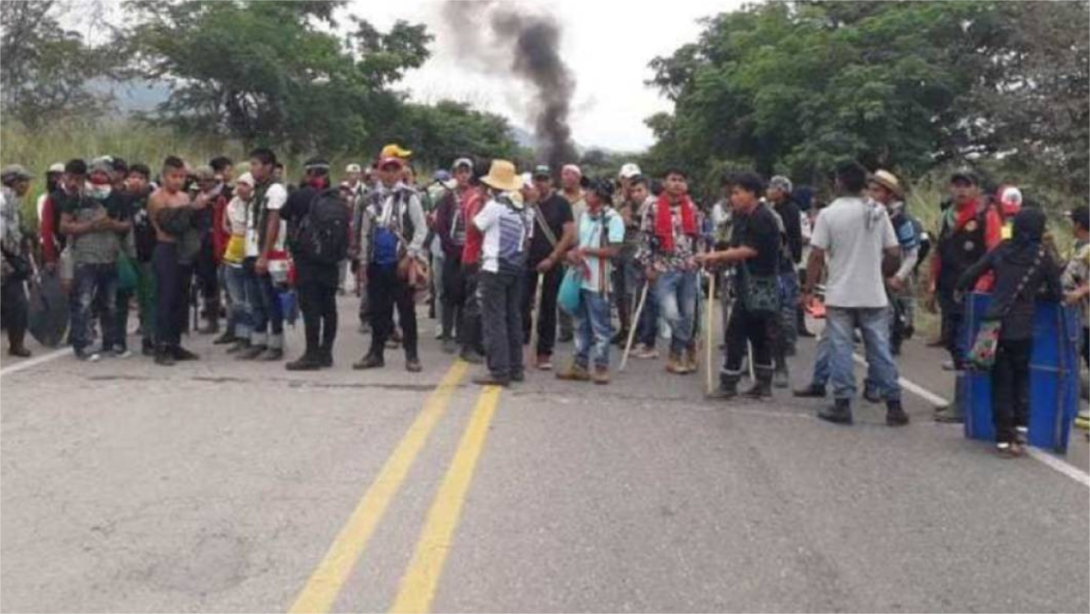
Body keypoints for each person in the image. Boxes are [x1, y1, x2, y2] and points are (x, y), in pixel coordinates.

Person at [801, 161, 907, 427]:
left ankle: (842, 404)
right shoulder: (878, 211)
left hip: (841, 295)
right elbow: (895, 254)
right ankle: (894, 406)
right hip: (873, 295)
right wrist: (879, 273)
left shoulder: (828, 214)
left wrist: (808, 290)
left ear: (839, 182)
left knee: (840, 348)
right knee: (879, 350)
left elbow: (815, 256)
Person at [960, 207, 1062, 456]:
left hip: (994, 326)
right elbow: (1056, 294)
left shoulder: (1002, 249)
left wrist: (962, 291)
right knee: (1021, 379)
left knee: (999, 382)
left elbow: (972, 273)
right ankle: (1021, 431)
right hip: (1022, 329)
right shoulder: (1043, 257)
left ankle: (1003, 439)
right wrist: (1034, 294)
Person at [930, 169, 1003, 423]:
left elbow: (995, 253)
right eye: (956, 184)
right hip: (948, 287)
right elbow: (938, 253)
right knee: (951, 341)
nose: (960, 190)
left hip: (973, 290)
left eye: (966, 185)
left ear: (976, 189)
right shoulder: (947, 216)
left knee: (965, 345)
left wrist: (982, 286)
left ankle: (964, 404)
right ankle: (961, 399)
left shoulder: (986, 216)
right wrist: (932, 284)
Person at [698, 173, 779, 399]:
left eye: (737, 193)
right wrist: (720, 260)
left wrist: (717, 256)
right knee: (757, 333)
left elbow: (750, 250)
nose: (732, 198)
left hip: (761, 282)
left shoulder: (762, 217)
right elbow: (735, 246)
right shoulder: (742, 217)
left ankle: (729, 382)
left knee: (736, 332)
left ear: (752, 193)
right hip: (747, 280)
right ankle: (763, 384)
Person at [353, 156, 427, 372]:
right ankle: (375, 354)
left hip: (400, 263)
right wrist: (364, 262)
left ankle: (412, 356)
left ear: (401, 172)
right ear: (379, 172)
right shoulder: (370, 199)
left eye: (395, 169)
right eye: (386, 169)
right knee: (378, 312)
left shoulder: (409, 198)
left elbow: (421, 230)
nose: (390, 174)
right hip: (377, 263)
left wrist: (409, 256)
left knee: (406, 312)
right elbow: (365, 232)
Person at [61, 159, 132, 362]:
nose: (99, 176)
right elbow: (64, 226)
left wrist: (111, 224)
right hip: (84, 258)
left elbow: (126, 225)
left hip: (110, 257)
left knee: (110, 304)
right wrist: (90, 226)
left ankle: (110, 344)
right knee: (82, 303)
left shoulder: (118, 197)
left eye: (104, 172)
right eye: (95, 172)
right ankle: (81, 345)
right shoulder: (78, 197)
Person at [279, 158, 345, 371]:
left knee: (311, 308)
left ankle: (311, 354)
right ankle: (327, 353)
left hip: (307, 260)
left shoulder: (300, 195)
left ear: (308, 174)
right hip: (331, 261)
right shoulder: (337, 198)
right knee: (329, 307)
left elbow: (283, 213)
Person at [556, 179, 624, 384]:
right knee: (581, 324)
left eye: (590, 192)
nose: (585, 194)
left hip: (598, 281)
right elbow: (581, 241)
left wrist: (586, 251)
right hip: (581, 278)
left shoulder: (613, 219)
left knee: (600, 326)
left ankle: (601, 367)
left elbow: (614, 250)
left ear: (600, 196)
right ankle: (580, 365)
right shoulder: (585, 215)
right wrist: (574, 253)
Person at [472, 160, 533, 386]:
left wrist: (480, 202)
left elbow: (475, 226)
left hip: (494, 267)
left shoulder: (494, 206)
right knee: (512, 318)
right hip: (516, 267)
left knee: (494, 319)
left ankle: (499, 370)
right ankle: (516, 367)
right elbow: (527, 241)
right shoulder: (524, 209)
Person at [637, 168, 701, 375]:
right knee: (671, 313)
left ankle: (675, 357)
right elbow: (645, 237)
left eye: (681, 180)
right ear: (664, 183)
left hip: (688, 267)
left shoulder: (692, 207)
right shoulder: (653, 207)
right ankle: (689, 343)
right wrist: (647, 264)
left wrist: (700, 259)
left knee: (688, 313)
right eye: (673, 179)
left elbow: (698, 238)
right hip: (663, 268)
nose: (677, 184)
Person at [147, 156, 205, 366]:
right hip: (166, 249)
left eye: (181, 177)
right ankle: (160, 346)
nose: (178, 181)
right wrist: (193, 209)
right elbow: (170, 224)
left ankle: (175, 343)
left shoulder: (184, 197)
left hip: (183, 251)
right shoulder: (157, 198)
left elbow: (192, 223)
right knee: (165, 298)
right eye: (174, 176)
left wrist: (196, 210)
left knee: (181, 299)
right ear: (164, 177)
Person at [238, 148, 289, 361]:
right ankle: (258, 340)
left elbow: (273, 223)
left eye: (256, 164)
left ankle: (276, 342)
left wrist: (264, 255)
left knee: (270, 299)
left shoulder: (275, 190)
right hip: (250, 250)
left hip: (265, 253)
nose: (252, 169)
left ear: (268, 166)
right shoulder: (257, 190)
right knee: (255, 300)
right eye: (251, 164)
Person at [524, 165, 576, 370]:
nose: (540, 183)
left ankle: (544, 353)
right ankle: (523, 347)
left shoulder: (561, 204)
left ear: (551, 182)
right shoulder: (526, 203)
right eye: (537, 179)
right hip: (528, 262)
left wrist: (553, 258)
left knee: (547, 308)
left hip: (552, 263)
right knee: (522, 306)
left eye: (544, 179)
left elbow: (568, 233)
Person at [868, 170, 921, 357]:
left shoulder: (901, 221)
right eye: (870, 190)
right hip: (870, 275)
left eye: (877, 191)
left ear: (889, 195)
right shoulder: (867, 215)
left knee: (893, 312)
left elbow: (912, 254)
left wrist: (899, 277)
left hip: (892, 276)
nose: (871, 195)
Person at [433, 158, 476, 354]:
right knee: (449, 293)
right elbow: (441, 224)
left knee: (466, 294)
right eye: (460, 172)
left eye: (467, 171)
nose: (464, 175)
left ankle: (462, 333)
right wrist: (450, 247)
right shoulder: (447, 196)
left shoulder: (476, 196)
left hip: (471, 252)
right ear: (454, 174)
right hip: (452, 252)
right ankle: (447, 335)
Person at [767, 175, 803, 387]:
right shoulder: (771, 209)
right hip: (771, 266)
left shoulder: (789, 210)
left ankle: (787, 343)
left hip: (784, 264)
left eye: (774, 187)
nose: (770, 190)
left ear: (783, 190)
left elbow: (793, 237)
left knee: (784, 308)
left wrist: (795, 258)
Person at [0, 165, 34, 357]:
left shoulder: (11, 200)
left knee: (16, 303)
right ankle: (16, 345)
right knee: (17, 303)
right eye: (24, 181)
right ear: (15, 182)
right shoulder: (4, 201)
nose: (27, 185)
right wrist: (11, 262)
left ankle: (16, 344)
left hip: (8, 257)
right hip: (4, 259)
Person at [125, 164, 158, 356]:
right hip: (130, 255)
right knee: (130, 297)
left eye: (139, 177)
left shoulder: (155, 197)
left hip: (150, 254)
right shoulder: (125, 199)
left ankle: (149, 337)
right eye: (132, 177)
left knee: (149, 297)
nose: (135, 181)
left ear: (147, 179)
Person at [221, 172, 255, 357]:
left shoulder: (257, 206)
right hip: (232, 255)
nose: (241, 187)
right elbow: (228, 225)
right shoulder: (233, 205)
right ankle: (241, 338)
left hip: (250, 256)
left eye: (245, 184)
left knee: (251, 302)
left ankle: (254, 339)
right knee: (237, 302)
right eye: (239, 183)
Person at [630, 176, 661, 360]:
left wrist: (650, 262)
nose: (636, 195)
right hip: (642, 259)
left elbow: (654, 238)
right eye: (633, 191)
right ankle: (643, 340)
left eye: (639, 190)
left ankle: (649, 343)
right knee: (645, 301)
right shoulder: (642, 208)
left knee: (650, 302)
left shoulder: (652, 206)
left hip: (650, 261)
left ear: (647, 190)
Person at [557, 164, 586, 343]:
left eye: (570, 174)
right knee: (562, 291)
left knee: (582, 291)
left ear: (578, 177)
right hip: (561, 250)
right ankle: (565, 328)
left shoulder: (586, 200)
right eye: (564, 174)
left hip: (583, 250)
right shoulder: (557, 198)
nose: (566, 177)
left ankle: (582, 326)